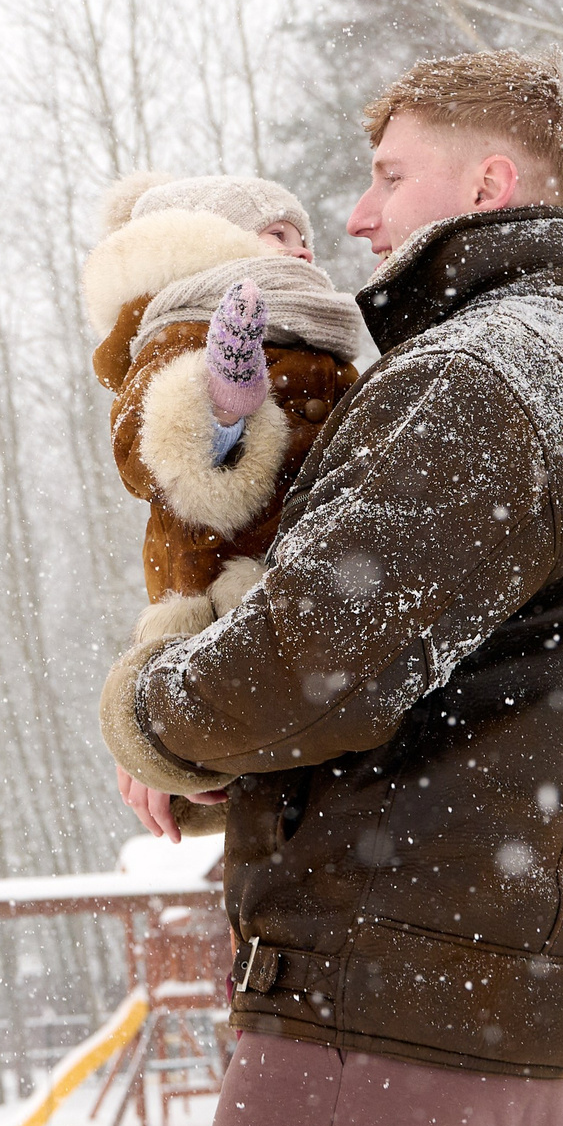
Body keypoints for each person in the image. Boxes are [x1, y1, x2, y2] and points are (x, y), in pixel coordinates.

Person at [99, 51, 563, 1126]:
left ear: (490, 182)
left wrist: (151, 722)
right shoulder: (556, 371)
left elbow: (317, 661)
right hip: (495, 1026)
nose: (357, 214)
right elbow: (392, 662)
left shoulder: (474, 377)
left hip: (390, 1024)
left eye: (391, 175)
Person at [84, 173, 373, 839]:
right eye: (277, 235)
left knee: (284, 770)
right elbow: (153, 455)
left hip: (307, 594)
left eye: (303, 238)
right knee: (243, 759)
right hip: (221, 589)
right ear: (215, 242)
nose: (301, 252)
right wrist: (218, 403)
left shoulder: (317, 334)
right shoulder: (182, 327)